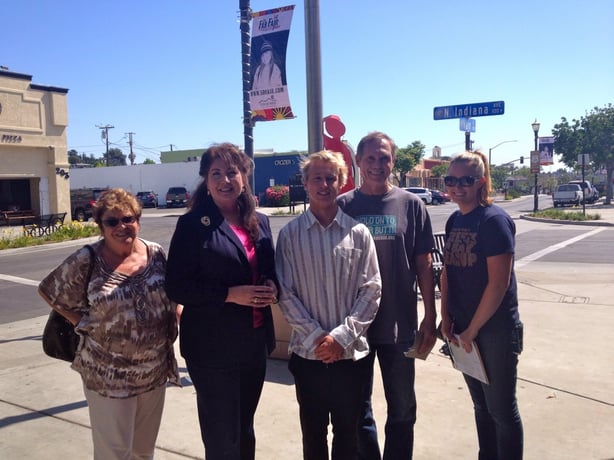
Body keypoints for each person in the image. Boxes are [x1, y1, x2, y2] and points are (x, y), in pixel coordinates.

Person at [38, 188, 180, 460]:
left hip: (153, 371)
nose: (122, 227)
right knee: (113, 454)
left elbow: (171, 291)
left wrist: (178, 310)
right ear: (100, 226)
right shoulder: (87, 258)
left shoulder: (155, 253)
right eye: (112, 221)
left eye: (128, 219)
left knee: (143, 452)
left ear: (138, 219)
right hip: (108, 374)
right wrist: (81, 320)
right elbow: (49, 290)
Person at [165, 143, 278, 460]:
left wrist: (272, 286)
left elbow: (269, 269)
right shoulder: (192, 226)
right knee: (221, 438)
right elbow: (177, 286)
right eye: (217, 173)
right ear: (206, 179)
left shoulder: (259, 221)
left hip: (254, 345)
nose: (225, 180)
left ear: (244, 176)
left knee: (244, 430)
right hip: (212, 349)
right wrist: (229, 295)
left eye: (232, 172)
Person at [276, 150, 382, 460]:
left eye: (331, 178)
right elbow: (285, 292)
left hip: (350, 357)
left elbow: (372, 289)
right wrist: (317, 338)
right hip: (308, 356)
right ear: (306, 183)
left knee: (349, 436)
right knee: (313, 434)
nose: (324, 184)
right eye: (317, 178)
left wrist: (340, 338)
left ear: (342, 182)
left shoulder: (358, 234)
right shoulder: (290, 235)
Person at [337, 131, 437, 460]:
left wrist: (431, 317)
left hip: (400, 326)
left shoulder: (412, 204)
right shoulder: (343, 206)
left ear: (393, 161)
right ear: (359, 162)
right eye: (371, 158)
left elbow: (424, 264)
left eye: (384, 158)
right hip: (355, 328)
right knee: (357, 411)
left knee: (403, 409)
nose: (378, 165)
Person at [440, 150, 523, 459]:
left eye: (466, 180)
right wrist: (446, 315)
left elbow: (498, 284)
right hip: (463, 328)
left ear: (481, 182)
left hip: (495, 330)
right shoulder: (453, 220)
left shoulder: (494, 220)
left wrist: (473, 329)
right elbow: (447, 271)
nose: (457, 186)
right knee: (480, 406)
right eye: (451, 180)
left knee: (501, 410)